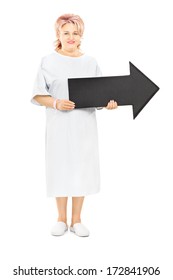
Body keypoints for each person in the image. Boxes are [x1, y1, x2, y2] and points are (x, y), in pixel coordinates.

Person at [31, 14, 118, 237]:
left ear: (81, 36)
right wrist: (56, 102)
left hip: (84, 126)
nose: (71, 37)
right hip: (59, 125)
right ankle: (61, 219)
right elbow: (38, 95)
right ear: (58, 34)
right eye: (66, 32)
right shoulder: (47, 61)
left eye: (75, 33)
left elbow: (100, 96)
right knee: (60, 167)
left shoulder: (90, 62)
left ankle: (77, 220)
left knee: (81, 169)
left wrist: (107, 104)